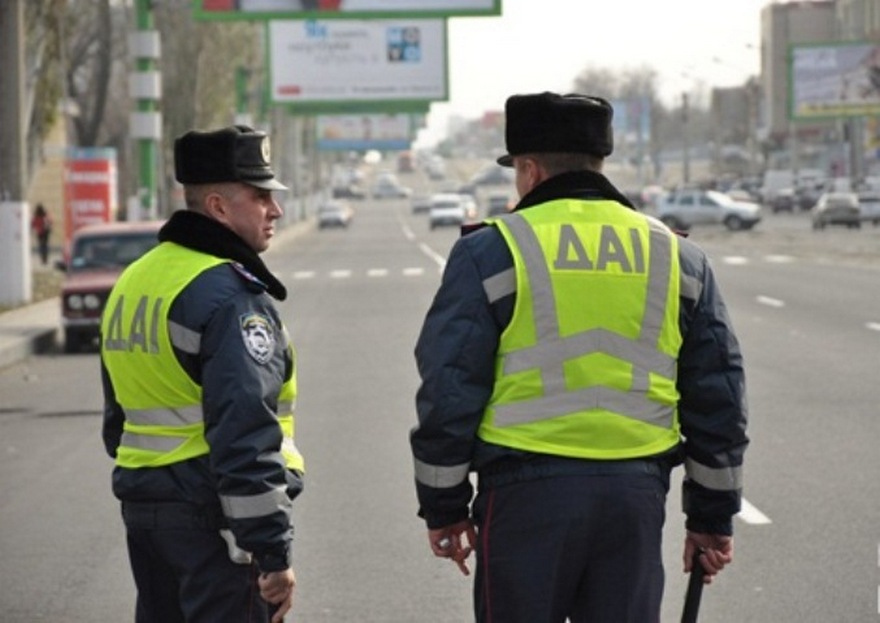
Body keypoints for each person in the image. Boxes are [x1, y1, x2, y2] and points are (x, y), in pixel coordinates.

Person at [410, 92, 749, 623]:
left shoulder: (493, 250)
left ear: (529, 169)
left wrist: (443, 505)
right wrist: (712, 518)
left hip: (524, 496)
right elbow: (718, 395)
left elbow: (449, 385)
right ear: (599, 162)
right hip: (634, 496)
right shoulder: (677, 255)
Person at [100, 125, 304, 623]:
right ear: (217, 206)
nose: (275, 210)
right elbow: (245, 432)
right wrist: (271, 553)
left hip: (146, 514)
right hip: (215, 524)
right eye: (260, 198)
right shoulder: (230, 297)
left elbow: (117, 421)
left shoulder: (136, 280)